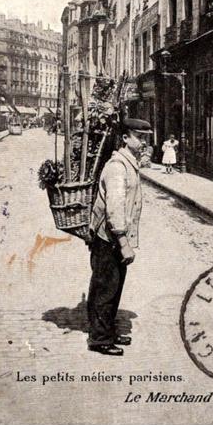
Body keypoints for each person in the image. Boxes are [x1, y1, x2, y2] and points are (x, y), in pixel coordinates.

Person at [87, 117, 153, 356]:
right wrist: (124, 242)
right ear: (125, 138)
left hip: (111, 238)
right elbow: (115, 208)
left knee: (112, 287)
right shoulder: (117, 167)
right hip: (109, 239)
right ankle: (100, 339)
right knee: (106, 288)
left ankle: (107, 332)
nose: (144, 142)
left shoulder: (129, 163)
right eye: (140, 137)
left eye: (146, 138)